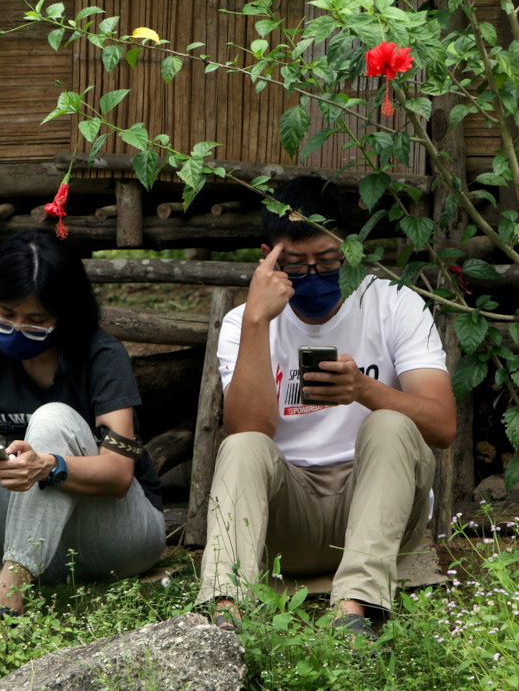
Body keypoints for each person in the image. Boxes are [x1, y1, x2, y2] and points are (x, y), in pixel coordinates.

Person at [195, 175, 456, 638]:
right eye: (294, 265)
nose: (312, 276)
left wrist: (365, 391)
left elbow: (442, 428)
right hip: (288, 519)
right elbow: (247, 429)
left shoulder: (395, 304)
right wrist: (258, 320)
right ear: (267, 258)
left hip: (380, 512)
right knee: (242, 447)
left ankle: (355, 610)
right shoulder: (243, 322)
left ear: (350, 250)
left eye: (328, 260)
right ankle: (225, 609)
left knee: (391, 424)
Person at [0, 229, 165, 636]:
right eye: (5, 312)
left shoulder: (101, 354)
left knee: (53, 418)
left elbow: (119, 475)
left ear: (64, 314)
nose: (17, 328)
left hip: (120, 538)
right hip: (33, 535)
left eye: (36, 320)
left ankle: (6, 603)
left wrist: (50, 466)